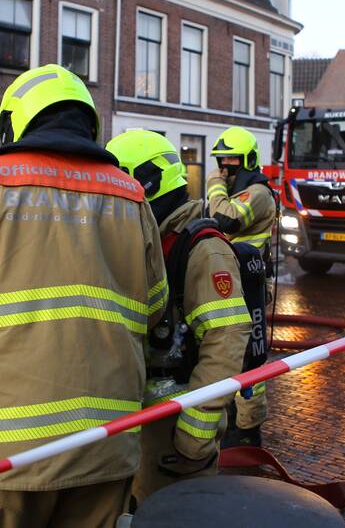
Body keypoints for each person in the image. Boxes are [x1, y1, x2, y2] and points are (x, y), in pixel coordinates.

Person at [0, 64, 168, 528]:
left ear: (14, 123)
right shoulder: (132, 196)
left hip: (5, 456)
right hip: (106, 448)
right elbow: (156, 307)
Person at [107, 130, 250, 503]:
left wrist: (194, 435)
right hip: (140, 424)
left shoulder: (202, 251)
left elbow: (227, 338)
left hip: (176, 433)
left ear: (148, 184)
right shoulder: (149, 238)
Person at [205, 127, 277, 448]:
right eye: (220, 162)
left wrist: (214, 188)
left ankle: (248, 428)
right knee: (231, 353)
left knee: (250, 356)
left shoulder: (257, 193)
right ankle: (235, 417)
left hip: (251, 282)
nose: (223, 169)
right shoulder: (238, 191)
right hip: (235, 281)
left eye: (230, 161)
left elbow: (227, 221)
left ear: (247, 160)